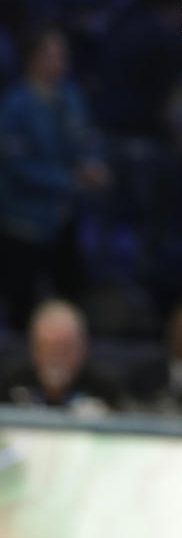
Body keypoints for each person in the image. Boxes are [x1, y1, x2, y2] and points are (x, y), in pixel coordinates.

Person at [0, 26, 111, 328]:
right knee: (20, 301)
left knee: (71, 294)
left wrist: (94, 165)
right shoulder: (15, 105)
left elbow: (88, 140)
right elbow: (16, 165)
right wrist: (70, 180)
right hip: (23, 221)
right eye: (53, 53)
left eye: (63, 53)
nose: (61, 60)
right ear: (32, 58)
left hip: (65, 217)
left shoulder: (71, 97)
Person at [0, 299, 123, 412]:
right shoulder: (10, 383)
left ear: (81, 348)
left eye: (64, 350)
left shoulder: (105, 390)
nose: (55, 360)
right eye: (47, 350)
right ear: (33, 349)